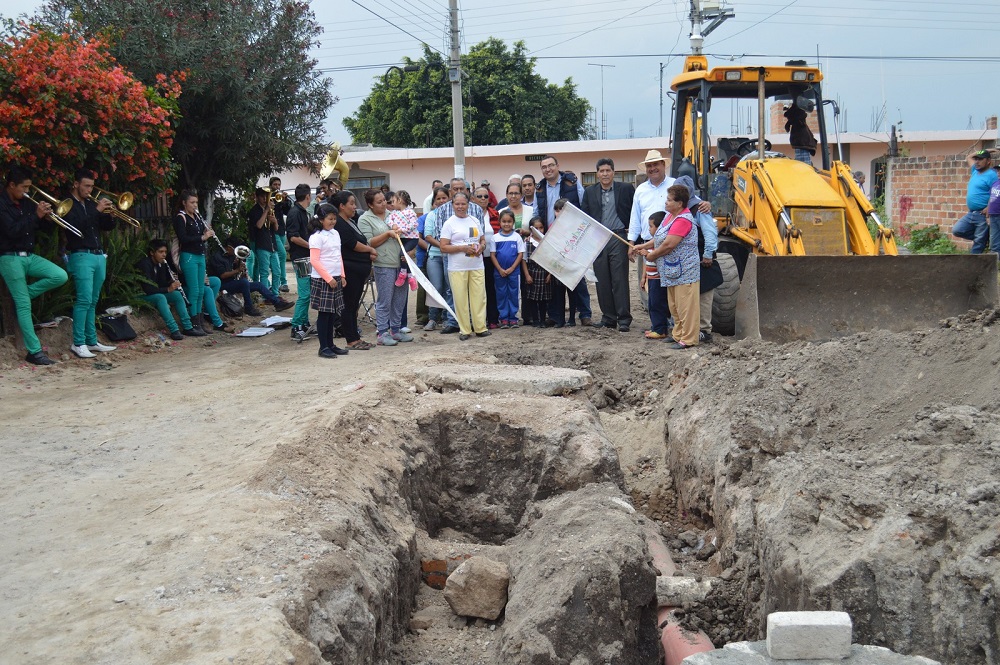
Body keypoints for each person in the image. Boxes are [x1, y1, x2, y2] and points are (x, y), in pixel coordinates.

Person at [0, 166, 69, 365]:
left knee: (59, 275)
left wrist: (48, 218)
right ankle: (34, 352)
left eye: (29, 188)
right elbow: (12, 231)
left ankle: (23, 295)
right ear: (11, 185)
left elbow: (38, 228)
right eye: (24, 187)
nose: (27, 192)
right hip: (9, 258)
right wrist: (35, 216)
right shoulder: (2, 204)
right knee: (23, 306)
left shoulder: (26, 204)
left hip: (29, 256)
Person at [631, 184, 700, 349]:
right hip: (671, 270)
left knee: (686, 307)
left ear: (679, 203)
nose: (666, 202)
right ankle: (678, 335)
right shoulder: (670, 216)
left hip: (685, 271)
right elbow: (659, 238)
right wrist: (643, 246)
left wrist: (651, 255)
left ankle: (689, 339)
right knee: (674, 306)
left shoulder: (683, 219)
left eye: (669, 200)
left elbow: (669, 244)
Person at [62, 168, 117, 358]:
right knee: (84, 300)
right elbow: (76, 227)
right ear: (76, 184)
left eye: (92, 186)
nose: (90, 190)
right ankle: (78, 343)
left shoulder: (91, 205)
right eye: (86, 186)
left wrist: (110, 215)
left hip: (98, 254)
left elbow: (106, 226)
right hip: (80, 255)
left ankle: (91, 341)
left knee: (93, 301)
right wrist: (97, 210)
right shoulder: (67, 204)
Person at [581, 158, 635, 332]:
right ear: (597, 173)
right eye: (601, 171)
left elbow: (634, 212)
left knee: (619, 279)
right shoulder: (589, 192)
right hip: (597, 238)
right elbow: (585, 215)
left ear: (613, 172)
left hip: (618, 237)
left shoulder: (626, 189)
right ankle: (608, 318)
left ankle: (624, 318)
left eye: (608, 170)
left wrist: (633, 239)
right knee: (602, 279)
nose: (605, 174)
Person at [673, 175, 723, 343]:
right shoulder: (679, 210)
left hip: (703, 259)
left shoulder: (700, 209)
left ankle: (704, 330)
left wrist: (708, 254)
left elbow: (710, 233)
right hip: (688, 260)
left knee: (704, 295)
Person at [358, 189, 411, 346]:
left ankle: (396, 330)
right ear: (370, 205)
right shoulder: (365, 219)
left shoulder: (392, 214)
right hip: (383, 263)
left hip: (400, 263)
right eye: (379, 202)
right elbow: (368, 242)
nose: (384, 204)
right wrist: (388, 234)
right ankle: (382, 332)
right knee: (385, 299)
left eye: (385, 201)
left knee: (400, 298)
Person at [439, 192, 489, 340]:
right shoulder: (449, 223)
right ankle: (465, 330)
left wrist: (482, 246)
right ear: (452, 205)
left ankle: (480, 328)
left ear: (468, 204)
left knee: (479, 297)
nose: (460, 207)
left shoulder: (474, 220)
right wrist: (462, 248)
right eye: (457, 204)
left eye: (463, 204)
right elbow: (443, 247)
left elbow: (482, 239)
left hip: (477, 265)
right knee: (460, 299)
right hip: (457, 268)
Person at [332, 190, 377, 350]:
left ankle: (356, 338)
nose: (354, 206)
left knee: (353, 305)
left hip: (358, 269)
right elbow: (352, 244)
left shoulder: (350, 221)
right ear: (342, 206)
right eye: (351, 203)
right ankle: (351, 339)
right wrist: (370, 250)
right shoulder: (339, 223)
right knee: (348, 305)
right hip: (350, 270)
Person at [136, 239, 205, 340]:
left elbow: (162, 283)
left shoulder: (162, 264)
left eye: (165, 252)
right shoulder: (144, 264)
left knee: (177, 295)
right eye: (160, 252)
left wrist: (171, 282)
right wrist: (168, 289)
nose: (164, 255)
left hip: (155, 292)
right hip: (142, 294)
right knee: (160, 297)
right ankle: (174, 330)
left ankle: (188, 327)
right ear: (152, 253)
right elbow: (148, 289)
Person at [208, 236, 292, 316]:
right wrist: (237, 270)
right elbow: (223, 275)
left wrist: (239, 266)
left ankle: (277, 303)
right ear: (229, 247)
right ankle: (249, 308)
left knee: (258, 285)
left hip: (232, 282)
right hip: (223, 284)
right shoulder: (217, 257)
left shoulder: (230, 256)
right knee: (244, 283)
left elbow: (235, 272)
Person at [308, 202, 349, 359]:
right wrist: (329, 278)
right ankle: (323, 346)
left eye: (334, 219)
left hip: (336, 276)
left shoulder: (335, 234)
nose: (332, 222)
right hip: (323, 279)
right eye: (329, 219)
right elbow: (315, 261)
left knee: (333, 313)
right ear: (320, 220)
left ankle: (331, 344)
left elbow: (338, 256)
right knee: (324, 314)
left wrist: (342, 275)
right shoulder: (316, 237)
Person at [173, 189, 216, 334]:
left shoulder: (197, 217)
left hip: (199, 254)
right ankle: (192, 324)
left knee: (201, 289)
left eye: (196, 202)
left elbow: (200, 234)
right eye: (192, 202)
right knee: (194, 290)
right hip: (189, 256)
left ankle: (199, 322)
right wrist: (202, 238)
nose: (195, 205)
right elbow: (183, 238)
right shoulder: (181, 217)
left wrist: (206, 233)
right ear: (184, 203)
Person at [545, 198, 591, 326]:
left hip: (575, 262)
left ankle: (585, 315)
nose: (559, 213)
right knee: (556, 292)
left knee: (580, 289)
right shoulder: (552, 226)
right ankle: (555, 316)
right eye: (557, 210)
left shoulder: (578, 226)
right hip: (558, 262)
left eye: (563, 210)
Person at [953, 150, 998, 254]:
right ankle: (985, 238)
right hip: (971, 213)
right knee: (957, 230)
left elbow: (996, 192)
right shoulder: (975, 171)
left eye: (980, 159)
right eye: (976, 159)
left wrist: (989, 207)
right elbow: (969, 157)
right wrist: (988, 150)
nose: (977, 161)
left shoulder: (992, 175)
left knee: (978, 244)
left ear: (988, 161)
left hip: (982, 215)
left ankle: (973, 264)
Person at [286, 183, 315, 340]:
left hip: (305, 257)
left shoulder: (302, 212)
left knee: (308, 293)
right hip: (301, 258)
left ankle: (303, 323)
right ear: (308, 196)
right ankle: (296, 325)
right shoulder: (295, 213)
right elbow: (293, 237)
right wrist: (311, 245)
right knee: (304, 294)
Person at [421, 186, 452, 331]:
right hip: (434, 256)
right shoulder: (431, 216)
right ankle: (433, 318)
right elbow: (428, 236)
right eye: (438, 198)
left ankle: (447, 318)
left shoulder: (453, 216)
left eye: (444, 198)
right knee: (436, 287)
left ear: (449, 198)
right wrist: (443, 246)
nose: (441, 201)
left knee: (448, 288)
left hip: (451, 257)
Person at [490, 210, 525, 328]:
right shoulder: (495, 238)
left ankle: (513, 318)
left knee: (514, 294)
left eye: (509, 221)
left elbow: (520, 254)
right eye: (504, 221)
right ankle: (504, 318)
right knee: (501, 294)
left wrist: (512, 268)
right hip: (499, 273)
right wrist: (500, 269)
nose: (506, 224)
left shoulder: (517, 237)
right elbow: (493, 255)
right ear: (499, 222)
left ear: (513, 222)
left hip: (514, 272)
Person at [473, 185, 501, 328]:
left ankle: (493, 319)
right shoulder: (469, 216)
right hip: (474, 257)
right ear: (473, 198)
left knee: (491, 288)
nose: (483, 199)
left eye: (486, 196)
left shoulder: (495, 214)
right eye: (480, 196)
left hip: (492, 258)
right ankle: (477, 320)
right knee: (477, 290)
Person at [535, 155, 583, 229]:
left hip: (572, 231)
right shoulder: (539, 189)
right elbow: (536, 214)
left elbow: (584, 205)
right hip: (548, 234)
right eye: (544, 167)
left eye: (550, 165)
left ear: (558, 166)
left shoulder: (572, 182)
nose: (548, 169)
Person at [248, 187, 279, 292]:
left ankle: (275, 293)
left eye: (267, 196)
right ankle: (266, 295)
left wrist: (274, 221)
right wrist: (266, 210)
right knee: (264, 272)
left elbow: (276, 229)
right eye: (262, 196)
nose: (265, 199)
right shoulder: (254, 211)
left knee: (277, 271)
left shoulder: (271, 210)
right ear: (257, 197)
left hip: (272, 244)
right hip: (262, 245)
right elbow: (259, 225)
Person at [522, 216, 551, 328]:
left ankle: (543, 320)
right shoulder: (527, 243)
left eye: (541, 228)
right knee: (532, 298)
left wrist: (549, 274)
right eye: (536, 229)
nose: (539, 231)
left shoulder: (547, 242)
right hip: (532, 273)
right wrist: (527, 275)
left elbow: (551, 260)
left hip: (544, 273)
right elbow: (524, 260)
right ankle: (535, 320)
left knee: (543, 299)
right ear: (531, 230)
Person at [269, 176, 291, 293]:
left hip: (281, 229)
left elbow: (287, 211)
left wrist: (285, 201)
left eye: (279, 185)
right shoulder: (269, 197)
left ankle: (281, 282)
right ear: (271, 185)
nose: (277, 187)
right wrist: (278, 202)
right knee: (282, 254)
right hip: (273, 230)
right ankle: (283, 282)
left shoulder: (280, 198)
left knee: (280, 257)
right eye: (275, 185)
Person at [988, 165, 1000, 255]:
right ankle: (996, 261)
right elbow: (991, 198)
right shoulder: (995, 183)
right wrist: (988, 211)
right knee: (994, 238)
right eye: (998, 170)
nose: (998, 172)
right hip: (993, 214)